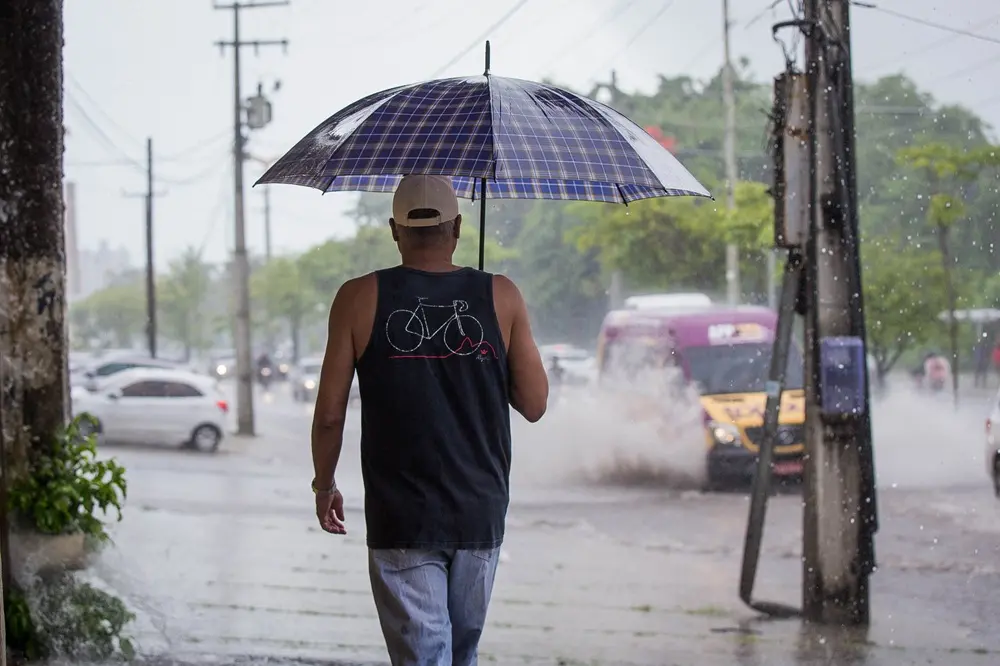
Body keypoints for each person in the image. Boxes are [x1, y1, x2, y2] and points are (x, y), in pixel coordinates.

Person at [309, 175, 549, 666]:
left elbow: (330, 415)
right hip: (479, 512)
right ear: (457, 227)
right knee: (460, 654)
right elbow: (534, 404)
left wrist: (324, 484)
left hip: (402, 516)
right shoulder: (501, 295)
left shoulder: (357, 298)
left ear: (394, 230)